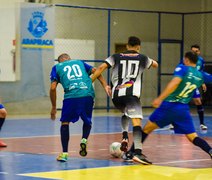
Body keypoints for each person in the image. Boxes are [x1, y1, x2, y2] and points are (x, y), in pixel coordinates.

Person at [124, 51, 212, 163]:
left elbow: (175, 82)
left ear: (187, 60)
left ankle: (132, 153)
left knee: (146, 129)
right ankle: (210, 150)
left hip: (169, 106)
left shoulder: (183, 68)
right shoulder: (201, 75)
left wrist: (159, 98)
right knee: (192, 137)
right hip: (183, 110)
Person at [91, 36, 158, 165]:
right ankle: (137, 152)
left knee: (126, 113)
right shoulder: (143, 58)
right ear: (139, 46)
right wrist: (150, 61)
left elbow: (100, 69)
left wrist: (90, 82)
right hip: (131, 95)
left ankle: (125, 136)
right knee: (137, 121)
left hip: (116, 96)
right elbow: (155, 64)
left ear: (127, 46)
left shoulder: (115, 56)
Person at [50, 53, 110, 162]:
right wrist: (105, 85)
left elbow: (53, 88)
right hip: (88, 94)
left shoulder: (57, 67)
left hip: (71, 96)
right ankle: (84, 139)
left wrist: (54, 107)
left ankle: (64, 154)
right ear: (70, 59)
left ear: (60, 61)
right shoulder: (79, 62)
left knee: (65, 123)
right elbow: (97, 71)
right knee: (87, 121)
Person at [178, 44, 207, 130]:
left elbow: (201, 72)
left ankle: (202, 123)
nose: (195, 53)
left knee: (198, 101)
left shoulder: (201, 61)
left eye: (196, 51)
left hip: (193, 85)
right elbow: (179, 69)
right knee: (179, 102)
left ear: (199, 52)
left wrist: (202, 83)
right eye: (193, 51)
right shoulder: (185, 60)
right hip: (184, 84)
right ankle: (173, 123)